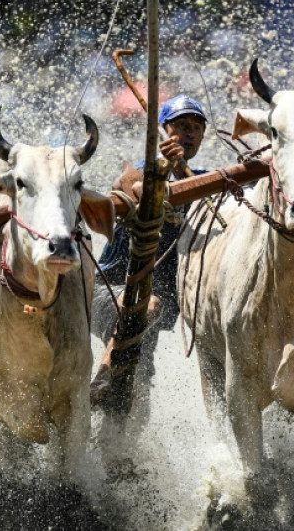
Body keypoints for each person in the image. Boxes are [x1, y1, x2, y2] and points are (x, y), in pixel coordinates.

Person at [90, 94, 208, 416]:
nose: (189, 134)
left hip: (153, 304)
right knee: (149, 305)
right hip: (109, 291)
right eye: (182, 126)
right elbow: (126, 186)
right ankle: (101, 376)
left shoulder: (203, 179)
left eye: (196, 129)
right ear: (163, 131)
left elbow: (217, 193)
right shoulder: (144, 171)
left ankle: (119, 455)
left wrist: (182, 173)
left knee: (137, 389)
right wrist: (165, 170)